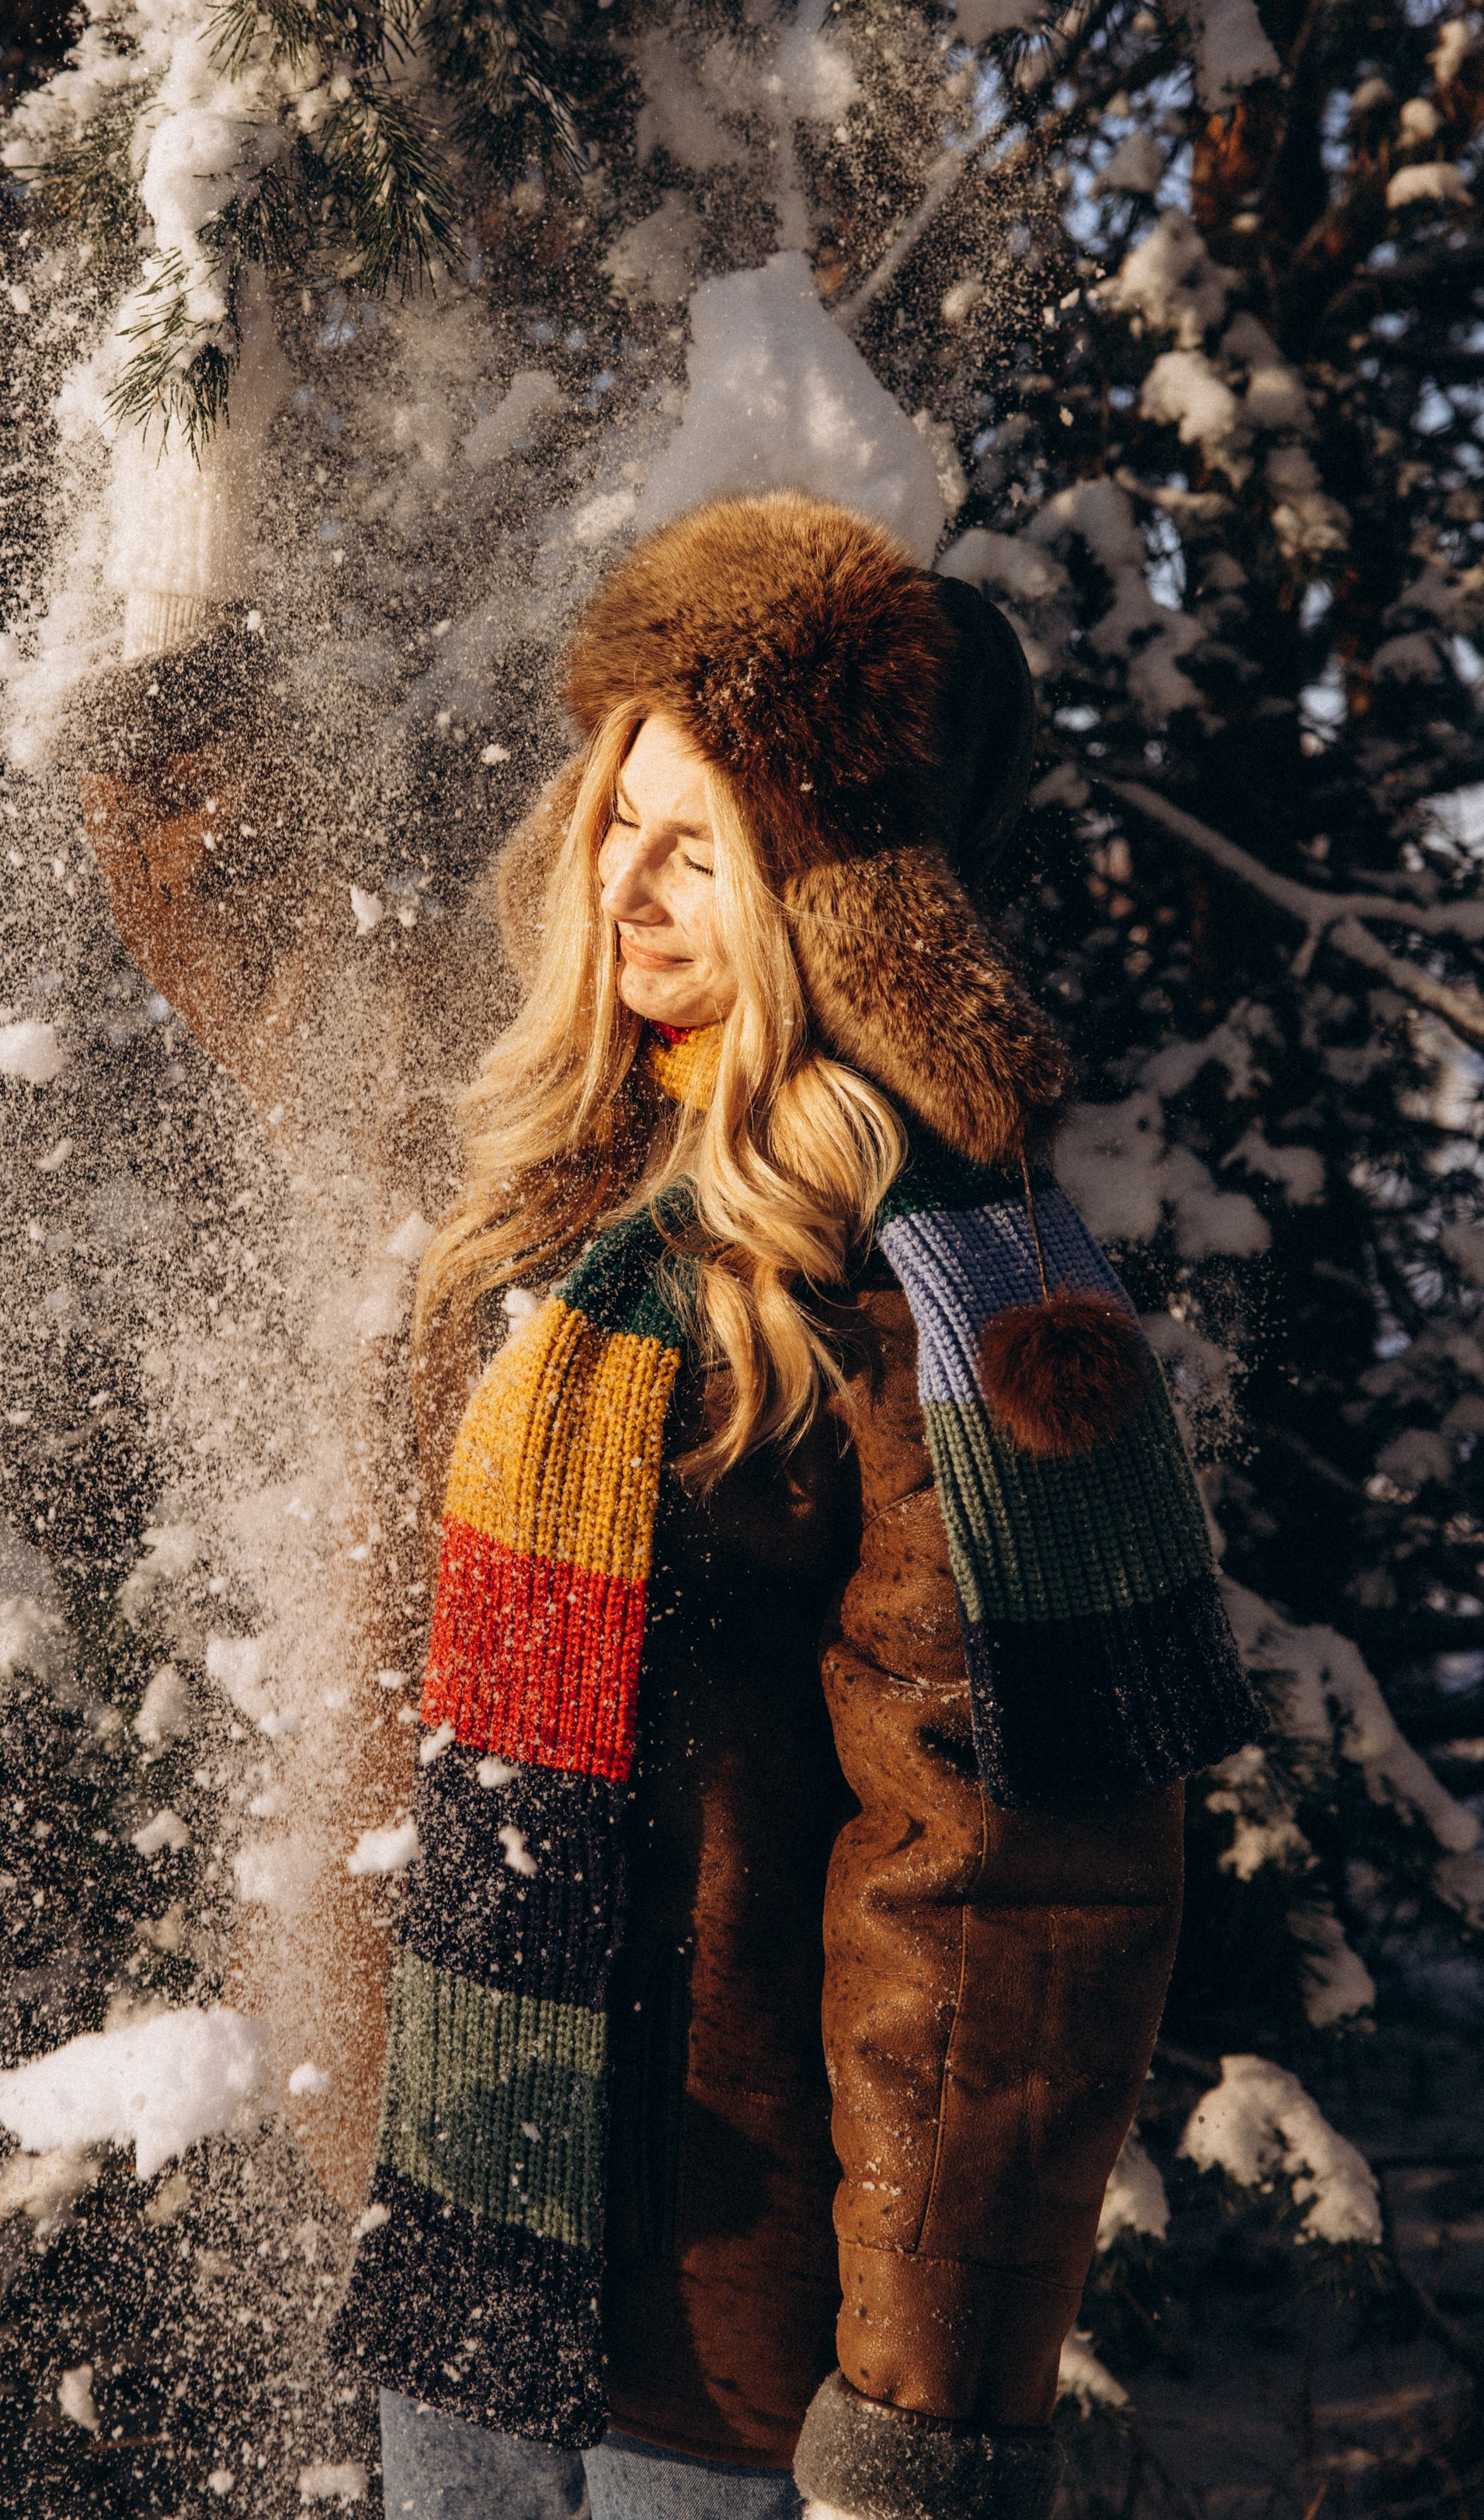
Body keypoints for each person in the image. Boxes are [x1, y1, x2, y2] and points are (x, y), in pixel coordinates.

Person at [79, 493, 1263, 2520]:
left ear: (844, 892)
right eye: (616, 814)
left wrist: (922, 2415)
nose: (626, 879)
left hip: (737, 2322)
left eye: (698, 842)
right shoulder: (554, 1163)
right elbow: (280, 977)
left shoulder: (957, 1288)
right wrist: (179, 607)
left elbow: (1016, 1886)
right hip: (471, 2221)